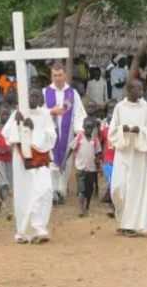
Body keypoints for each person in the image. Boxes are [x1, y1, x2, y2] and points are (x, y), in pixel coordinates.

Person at [1, 87, 57, 243]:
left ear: (41, 100)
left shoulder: (45, 115)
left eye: (36, 96)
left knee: (44, 190)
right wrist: (15, 122)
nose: (32, 99)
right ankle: (23, 232)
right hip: (22, 159)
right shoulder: (18, 112)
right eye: (30, 96)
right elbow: (6, 137)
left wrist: (34, 128)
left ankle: (39, 230)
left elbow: (51, 138)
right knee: (24, 194)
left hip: (41, 159)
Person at [108, 79, 147, 237]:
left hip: (138, 153)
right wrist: (122, 130)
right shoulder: (120, 107)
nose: (142, 92)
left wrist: (139, 131)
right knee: (119, 187)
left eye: (142, 89)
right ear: (129, 90)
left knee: (135, 190)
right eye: (138, 89)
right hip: (123, 152)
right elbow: (112, 131)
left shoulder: (145, 108)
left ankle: (130, 225)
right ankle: (123, 219)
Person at [43, 63, 87, 204]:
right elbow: (38, 112)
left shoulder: (72, 94)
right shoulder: (45, 92)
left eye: (60, 75)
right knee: (51, 162)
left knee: (65, 163)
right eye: (55, 75)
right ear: (51, 76)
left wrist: (79, 130)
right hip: (50, 134)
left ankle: (62, 191)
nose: (57, 78)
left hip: (67, 134)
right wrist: (51, 111)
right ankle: (52, 191)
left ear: (65, 75)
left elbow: (78, 115)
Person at [65, 117, 102, 217]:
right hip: (80, 169)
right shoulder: (79, 137)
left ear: (93, 128)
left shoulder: (95, 140)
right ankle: (82, 210)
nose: (88, 130)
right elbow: (71, 149)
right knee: (81, 190)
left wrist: (99, 166)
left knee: (89, 190)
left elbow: (98, 153)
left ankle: (87, 206)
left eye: (90, 128)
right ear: (83, 127)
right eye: (87, 128)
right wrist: (65, 161)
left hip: (91, 169)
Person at [100, 100, 118, 217]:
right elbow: (101, 142)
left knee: (118, 184)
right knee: (111, 183)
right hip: (108, 161)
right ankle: (113, 208)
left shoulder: (120, 131)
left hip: (119, 160)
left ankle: (116, 207)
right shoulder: (104, 131)